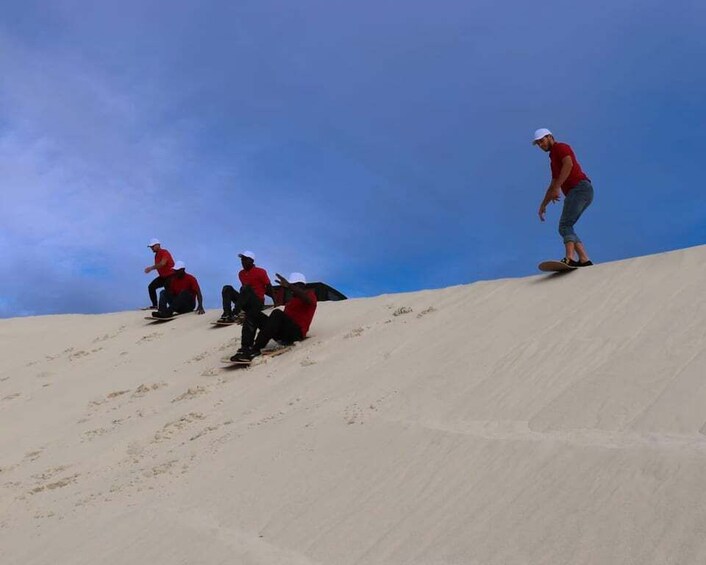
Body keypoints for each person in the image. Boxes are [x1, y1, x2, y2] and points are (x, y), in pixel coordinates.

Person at [534, 128, 595, 267]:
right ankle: (584, 259)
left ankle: (569, 258)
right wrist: (543, 205)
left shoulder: (560, 147)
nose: (541, 145)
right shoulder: (552, 159)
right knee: (568, 226)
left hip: (580, 188)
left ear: (550, 137)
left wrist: (557, 188)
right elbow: (553, 183)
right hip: (579, 191)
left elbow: (568, 164)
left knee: (565, 225)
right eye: (538, 143)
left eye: (542, 141)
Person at [231, 272, 317, 362]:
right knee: (253, 313)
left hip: (296, 334)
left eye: (294, 285)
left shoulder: (310, 294)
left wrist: (289, 286)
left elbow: (307, 300)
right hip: (283, 332)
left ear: (301, 285)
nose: (290, 289)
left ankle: (255, 349)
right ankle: (246, 348)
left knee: (277, 313)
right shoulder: (292, 300)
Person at [144, 238, 175, 309]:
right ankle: (155, 305)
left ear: (158, 245)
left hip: (171, 276)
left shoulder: (164, 252)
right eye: (151, 247)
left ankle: (172, 307)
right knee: (151, 287)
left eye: (153, 246)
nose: (151, 248)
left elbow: (163, 263)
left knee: (167, 291)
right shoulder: (156, 255)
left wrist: (151, 268)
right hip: (163, 277)